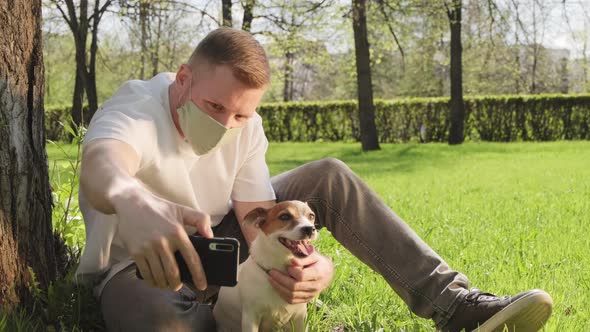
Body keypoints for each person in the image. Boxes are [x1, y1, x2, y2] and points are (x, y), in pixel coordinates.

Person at [75, 27, 553, 332]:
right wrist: (132, 199)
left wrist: (309, 263)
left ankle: (456, 306)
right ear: (184, 79)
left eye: (240, 115)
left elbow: (253, 219)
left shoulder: (247, 127)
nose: (226, 126)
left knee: (329, 175)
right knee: (158, 321)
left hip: (223, 249)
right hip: (139, 270)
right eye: (214, 107)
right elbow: (102, 164)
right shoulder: (139, 105)